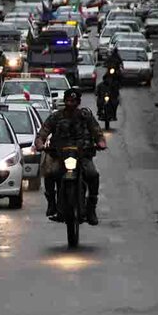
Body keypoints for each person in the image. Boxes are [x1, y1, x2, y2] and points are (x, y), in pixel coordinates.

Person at [35, 88, 107, 226]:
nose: (70, 104)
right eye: (68, 100)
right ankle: (52, 204)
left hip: (82, 156)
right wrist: (40, 143)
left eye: (73, 101)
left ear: (78, 102)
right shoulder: (56, 117)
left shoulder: (86, 116)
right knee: (50, 174)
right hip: (61, 156)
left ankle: (91, 209)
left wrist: (101, 142)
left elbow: (97, 132)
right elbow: (43, 133)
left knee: (93, 174)